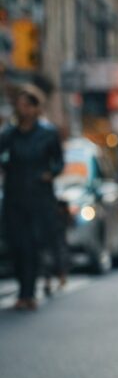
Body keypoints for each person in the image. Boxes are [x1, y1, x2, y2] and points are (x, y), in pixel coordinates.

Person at [0, 83, 64, 311]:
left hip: (38, 196)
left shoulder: (47, 134)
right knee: (18, 245)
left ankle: (31, 291)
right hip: (15, 195)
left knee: (34, 244)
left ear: (37, 108)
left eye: (27, 105)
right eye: (20, 105)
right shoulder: (10, 134)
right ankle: (23, 291)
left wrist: (50, 174)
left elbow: (59, 161)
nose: (23, 109)